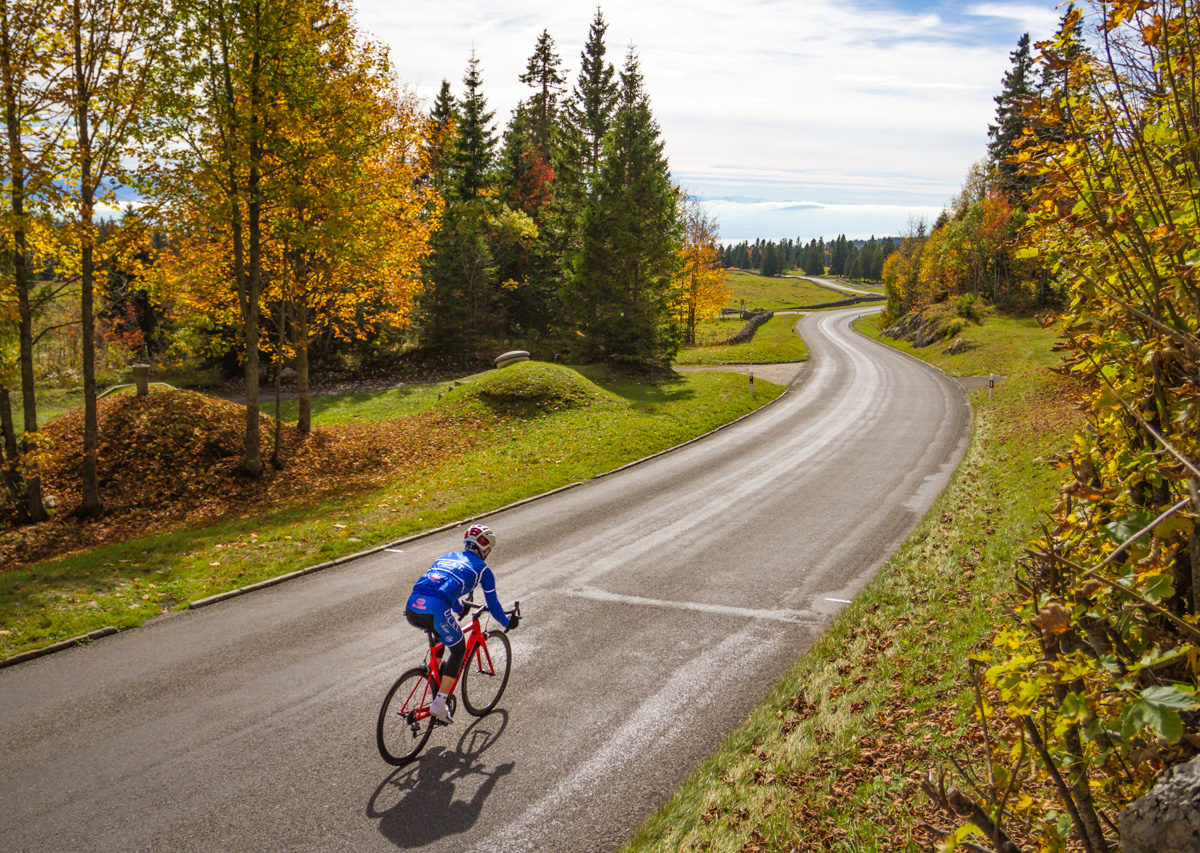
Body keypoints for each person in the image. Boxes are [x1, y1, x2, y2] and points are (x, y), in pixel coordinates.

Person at [405, 524, 519, 724]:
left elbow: (442, 584)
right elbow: (492, 604)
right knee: (458, 649)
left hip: (412, 606)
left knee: (442, 639)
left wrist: (458, 608)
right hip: (436, 608)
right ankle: (439, 703)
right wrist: (508, 622)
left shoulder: (447, 556)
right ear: (486, 550)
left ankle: (435, 681)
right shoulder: (483, 570)